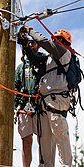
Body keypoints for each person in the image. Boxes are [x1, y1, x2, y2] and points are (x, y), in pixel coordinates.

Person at [23, 27, 73, 166]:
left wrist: (29, 31)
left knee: (60, 136)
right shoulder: (49, 59)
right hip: (45, 103)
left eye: (57, 40)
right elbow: (35, 59)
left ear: (64, 42)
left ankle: (66, 165)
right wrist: (25, 45)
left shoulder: (64, 53)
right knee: (45, 139)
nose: (54, 42)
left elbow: (43, 42)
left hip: (57, 101)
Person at [14, 40, 42, 167]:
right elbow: (15, 88)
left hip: (41, 107)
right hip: (24, 107)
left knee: (44, 140)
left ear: (39, 45)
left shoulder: (43, 62)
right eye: (29, 43)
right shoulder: (20, 68)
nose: (31, 45)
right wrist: (15, 108)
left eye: (34, 43)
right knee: (26, 141)